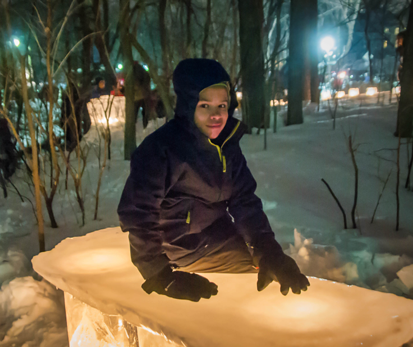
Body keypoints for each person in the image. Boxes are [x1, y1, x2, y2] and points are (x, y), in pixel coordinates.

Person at [117, 59, 309, 302]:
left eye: (222, 105)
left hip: (218, 238)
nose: (216, 115)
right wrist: (160, 275)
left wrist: (268, 250)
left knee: (276, 275)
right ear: (188, 105)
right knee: (253, 293)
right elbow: (137, 212)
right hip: (178, 249)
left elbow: (244, 201)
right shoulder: (161, 150)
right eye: (205, 105)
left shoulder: (226, 146)